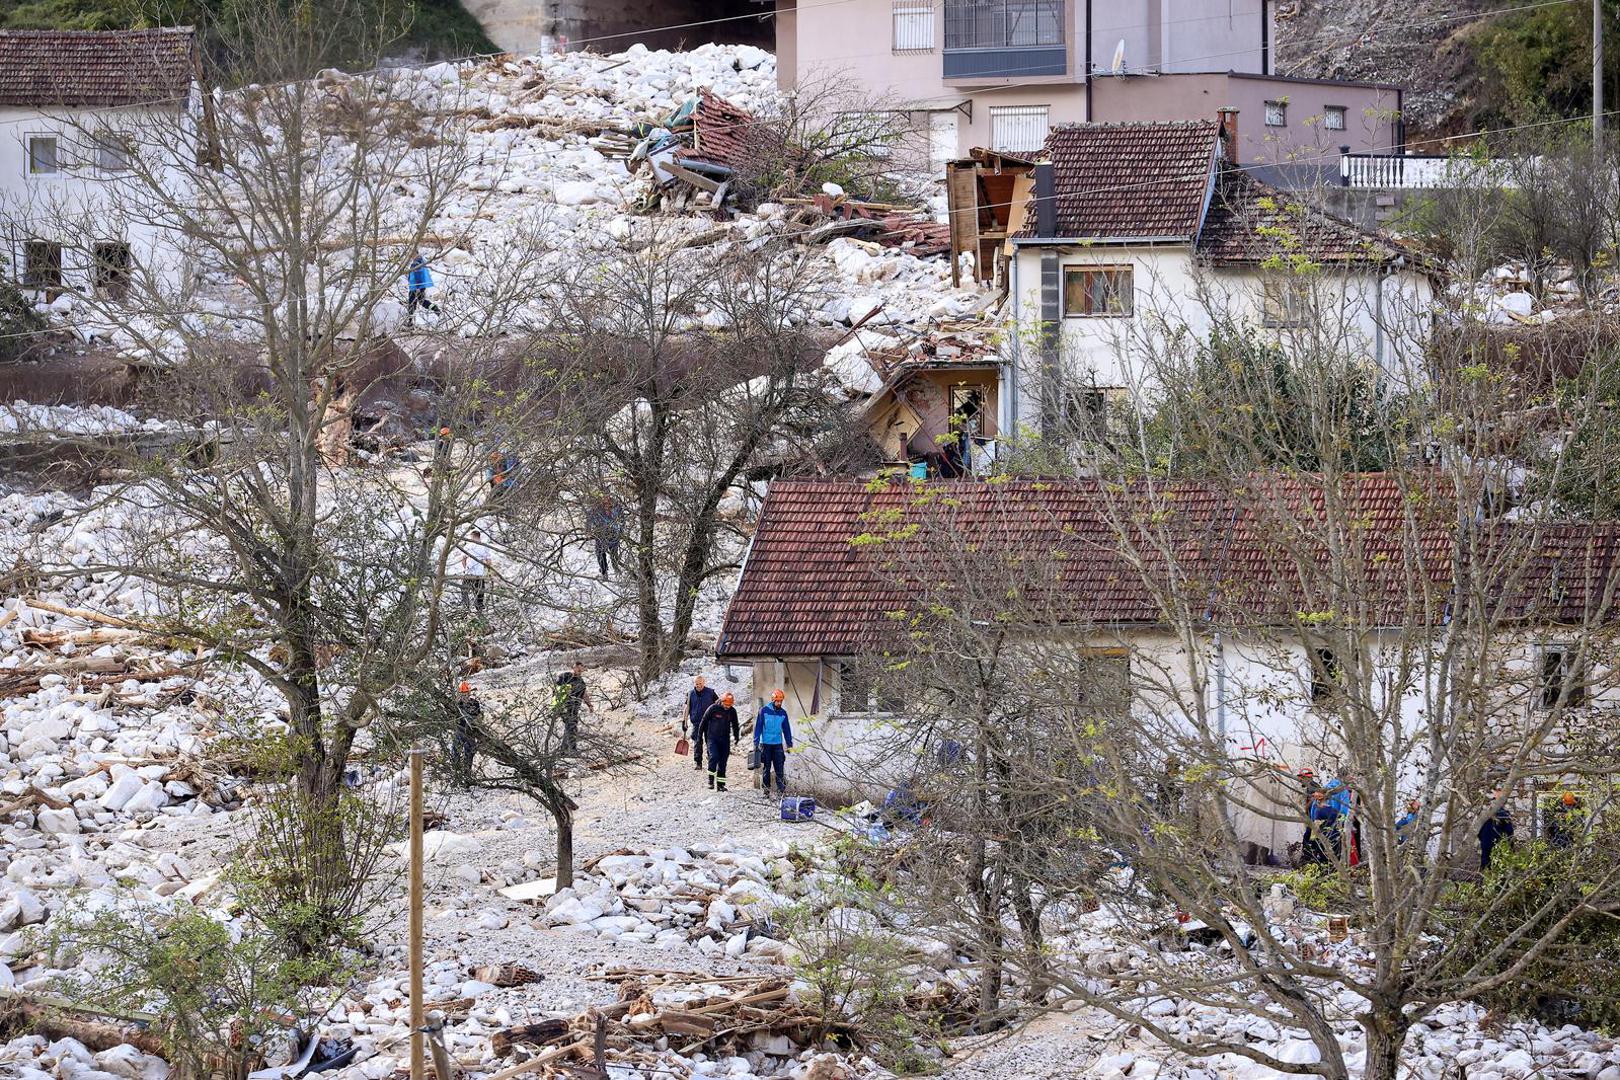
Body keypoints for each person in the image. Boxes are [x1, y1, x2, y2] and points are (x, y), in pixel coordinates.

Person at [753, 688, 794, 799]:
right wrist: (756, 741)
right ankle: (766, 790)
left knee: (779, 768)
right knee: (766, 768)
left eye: (781, 701)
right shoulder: (764, 711)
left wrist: (789, 744)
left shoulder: (783, 713)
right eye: (777, 701)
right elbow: (758, 727)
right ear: (773, 700)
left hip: (777, 744)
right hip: (765, 744)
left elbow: (786, 729)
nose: (779, 703)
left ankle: (781, 790)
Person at [699, 691, 741, 791]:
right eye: (726, 705)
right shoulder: (713, 708)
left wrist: (736, 737)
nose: (727, 707)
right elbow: (703, 722)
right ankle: (710, 781)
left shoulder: (732, 711)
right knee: (714, 757)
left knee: (723, 762)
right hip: (712, 738)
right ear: (722, 701)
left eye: (729, 705)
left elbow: (735, 725)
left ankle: (720, 785)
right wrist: (699, 736)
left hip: (725, 739)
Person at [685, 675, 718, 772]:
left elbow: (718, 705)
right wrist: (684, 721)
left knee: (710, 742)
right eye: (696, 684)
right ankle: (698, 762)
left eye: (700, 683)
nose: (698, 685)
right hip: (696, 722)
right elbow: (687, 708)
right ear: (694, 684)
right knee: (697, 742)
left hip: (709, 722)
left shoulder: (711, 692)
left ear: (704, 683)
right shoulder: (690, 694)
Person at [554, 661, 588, 753]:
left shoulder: (581, 681)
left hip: (575, 707)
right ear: (574, 667)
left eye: (581, 669)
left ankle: (563, 749)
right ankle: (572, 749)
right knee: (571, 726)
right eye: (578, 668)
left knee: (569, 726)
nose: (579, 670)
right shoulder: (566, 676)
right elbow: (556, 689)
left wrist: (590, 705)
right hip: (566, 705)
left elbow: (584, 694)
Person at [586, 493, 622, 578]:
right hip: (601, 534)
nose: (607, 502)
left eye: (608, 499)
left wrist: (621, 531)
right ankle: (604, 571)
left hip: (614, 533)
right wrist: (588, 531)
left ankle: (616, 567)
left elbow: (622, 520)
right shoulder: (596, 509)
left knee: (614, 553)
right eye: (604, 499)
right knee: (600, 553)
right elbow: (589, 519)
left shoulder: (617, 508)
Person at [1303, 789, 1342, 867]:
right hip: (1335, 837)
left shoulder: (1319, 810)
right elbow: (1339, 824)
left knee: (1322, 861)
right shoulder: (1334, 810)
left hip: (1323, 838)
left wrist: (1311, 840)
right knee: (1333, 860)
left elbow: (1316, 826)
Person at [1479, 791, 1515, 871]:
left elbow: (1479, 830)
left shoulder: (1485, 814)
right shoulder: (1504, 814)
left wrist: (1482, 840)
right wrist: (1511, 847)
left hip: (1485, 842)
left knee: (1485, 863)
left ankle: (1483, 879)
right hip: (1496, 842)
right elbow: (1509, 831)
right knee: (1497, 865)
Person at [453, 681, 480, 779]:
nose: (464, 696)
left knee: (469, 755)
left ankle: (467, 776)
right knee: (455, 754)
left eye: (466, 693)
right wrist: (457, 703)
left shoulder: (474, 703)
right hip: (459, 732)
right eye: (462, 693)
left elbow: (475, 717)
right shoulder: (456, 704)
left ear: (469, 693)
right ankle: (456, 776)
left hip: (470, 733)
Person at [460, 529, 490, 615]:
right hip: (479, 574)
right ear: (479, 536)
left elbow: (463, 560)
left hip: (469, 573)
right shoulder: (484, 546)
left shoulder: (468, 546)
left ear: (472, 536)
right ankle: (479, 610)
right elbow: (489, 561)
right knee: (479, 592)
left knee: (464, 590)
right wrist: (487, 571)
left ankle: (466, 607)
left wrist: (466, 569)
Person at [405, 254, 437, 325]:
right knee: (421, 301)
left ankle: (410, 321)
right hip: (420, 287)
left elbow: (416, 276)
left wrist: (417, 287)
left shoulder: (415, 264)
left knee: (412, 303)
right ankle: (435, 308)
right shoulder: (421, 262)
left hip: (415, 287)